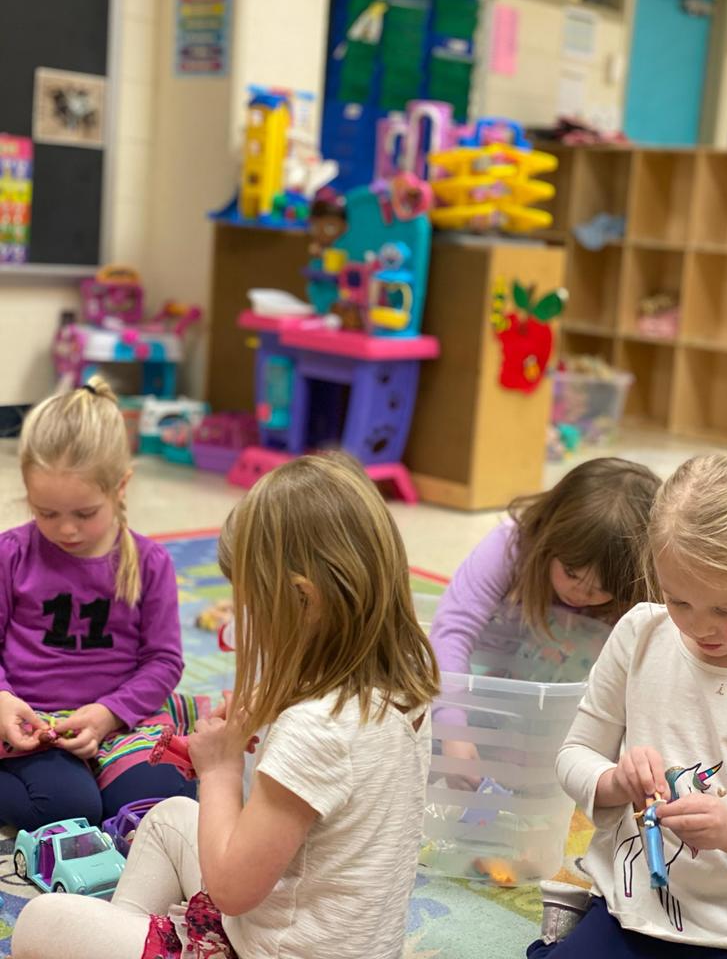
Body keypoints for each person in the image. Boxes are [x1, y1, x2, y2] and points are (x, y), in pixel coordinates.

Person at [13, 452, 441, 959]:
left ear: (302, 602)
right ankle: (130, 936)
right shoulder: (400, 686)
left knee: (40, 921)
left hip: (271, 950)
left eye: (249, 602)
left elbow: (232, 889)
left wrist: (217, 768)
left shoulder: (317, 729)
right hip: (324, 936)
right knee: (172, 815)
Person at [529, 453, 727, 957]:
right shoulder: (641, 634)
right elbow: (574, 754)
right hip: (636, 907)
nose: (701, 627)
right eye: (678, 600)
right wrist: (615, 780)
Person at [0, 378, 195, 832]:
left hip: (121, 719)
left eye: (84, 514)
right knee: (68, 810)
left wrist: (109, 713)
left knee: (157, 806)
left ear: (120, 487)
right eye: (45, 513)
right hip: (31, 724)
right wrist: (4, 698)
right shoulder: (11, 554)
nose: (65, 530)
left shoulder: (150, 562)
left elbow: (164, 661)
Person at [429, 458, 661, 775]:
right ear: (549, 535)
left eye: (601, 589)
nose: (580, 594)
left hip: (568, 729)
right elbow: (452, 630)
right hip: (488, 700)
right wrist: (453, 726)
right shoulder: (511, 546)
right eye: (570, 573)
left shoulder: (644, 591)